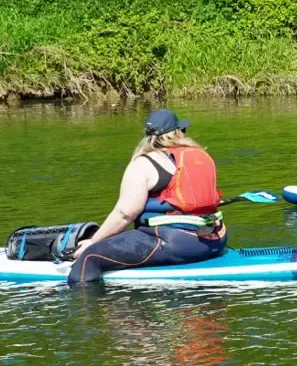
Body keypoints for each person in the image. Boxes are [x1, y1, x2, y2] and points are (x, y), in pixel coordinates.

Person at [68, 109, 227, 284]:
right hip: (215, 240)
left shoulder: (144, 164)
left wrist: (92, 242)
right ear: (176, 133)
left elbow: (125, 214)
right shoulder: (199, 157)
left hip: (176, 243)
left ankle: (83, 307)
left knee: (90, 257)